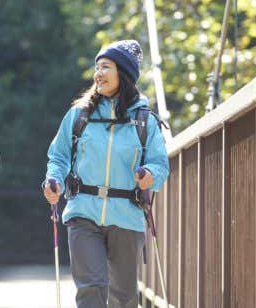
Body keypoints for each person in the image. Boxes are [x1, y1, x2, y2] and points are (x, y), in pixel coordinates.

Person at [42, 40, 169, 308]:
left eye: (106, 67)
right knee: (91, 289)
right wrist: (54, 179)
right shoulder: (79, 114)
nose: (97, 73)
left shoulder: (145, 120)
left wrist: (149, 175)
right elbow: (59, 156)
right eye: (97, 67)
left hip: (126, 215)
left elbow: (160, 164)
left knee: (123, 296)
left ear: (123, 73)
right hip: (83, 213)